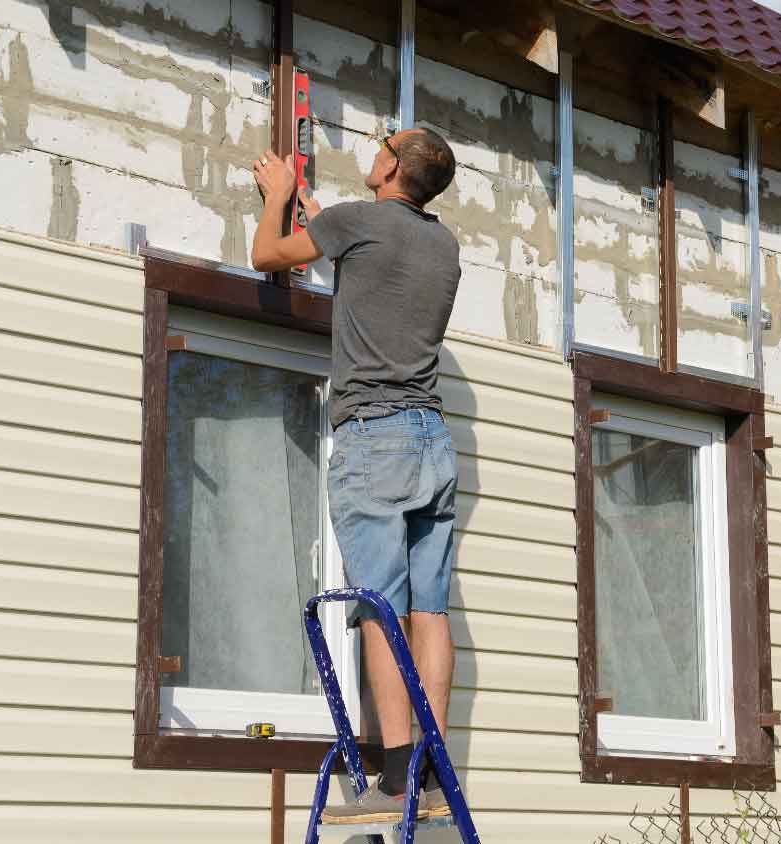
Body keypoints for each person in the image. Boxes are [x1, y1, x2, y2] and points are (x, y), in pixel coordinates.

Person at [250, 127, 461, 821]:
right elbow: (360, 250)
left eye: (384, 145)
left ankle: (395, 779)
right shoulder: (441, 244)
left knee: (380, 608)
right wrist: (316, 208)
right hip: (433, 440)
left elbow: (268, 254)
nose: (375, 150)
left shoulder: (356, 222)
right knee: (429, 610)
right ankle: (427, 770)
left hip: (375, 437)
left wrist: (279, 198)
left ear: (395, 166)